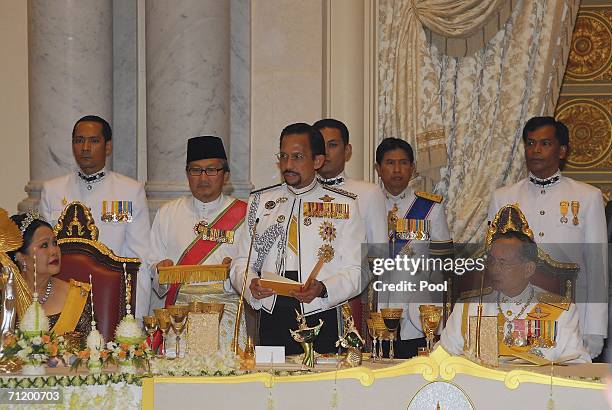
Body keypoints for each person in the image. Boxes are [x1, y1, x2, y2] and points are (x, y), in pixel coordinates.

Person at [230, 123, 367, 354]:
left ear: (317, 161)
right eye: (283, 156)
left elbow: (359, 270)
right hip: (271, 310)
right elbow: (241, 261)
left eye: (297, 157)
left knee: (320, 385)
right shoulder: (261, 202)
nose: (288, 165)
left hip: (320, 311)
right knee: (272, 385)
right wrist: (250, 282)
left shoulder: (344, 204)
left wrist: (324, 288)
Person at [488, 116, 608, 359]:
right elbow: (493, 266)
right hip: (516, 314)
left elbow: (598, 268)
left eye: (545, 144)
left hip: (570, 317)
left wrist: (595, 329)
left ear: (562, 150)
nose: (536, 151)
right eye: (530, 143)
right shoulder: (503, 198)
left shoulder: (588, 197)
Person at [441, 205, 590, 363]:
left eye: (503, 263)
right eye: (492, 261)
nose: (494, 269)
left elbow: (578, 364)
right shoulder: (468, 308)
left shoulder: (560, 312)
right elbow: (442, 357)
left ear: (528, 269)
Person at [39, 115, 151, 319]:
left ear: (108, 147)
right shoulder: (52, 190)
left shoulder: (130, 191)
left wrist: (135, 317)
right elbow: (43, 256)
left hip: (110, 298)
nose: (85, 148)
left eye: (94, 140)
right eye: (79, 140)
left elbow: (139, 260)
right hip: (62, 299)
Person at [149, 136, 247, 349]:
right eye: (196, 170)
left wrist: (236, 269)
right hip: (179, 310)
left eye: (211, 170)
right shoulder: (168, 213)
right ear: (187, 174)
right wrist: (160, 269)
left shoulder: (245, 214)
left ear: (226, 175)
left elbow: (253, 268)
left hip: (227, 307)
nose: (203, 177)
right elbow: (152, 261)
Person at [375, 137, 453, 358]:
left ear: (413, 167)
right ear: (378, 168)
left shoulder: (431, 207)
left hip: (415, 310)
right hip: (376, 308)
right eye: (390, 163)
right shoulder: (365, 204)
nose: (397, 169)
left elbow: (443, 265)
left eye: (403, 163)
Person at [7, 211, 91, 335]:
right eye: (44, 245)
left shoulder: (77, 296)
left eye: (55, 243)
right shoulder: (5, 296)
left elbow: (91, 350)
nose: (54, 251)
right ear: (21, 257)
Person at [312, 119, 387, 245]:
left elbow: (379, 251)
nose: (325, 152)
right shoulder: (302, 192)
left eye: (333, 145)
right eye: (320, 146)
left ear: (347, 151)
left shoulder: (368, 193)